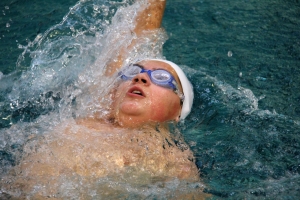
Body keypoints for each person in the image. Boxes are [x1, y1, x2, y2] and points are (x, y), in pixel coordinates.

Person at [1, 0, 208, 199]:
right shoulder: (96, 110)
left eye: (162, 78)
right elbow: (140, 33)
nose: (141, 77)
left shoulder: (175, 161)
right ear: (113, 94)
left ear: (178, 111)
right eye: (132, 71)